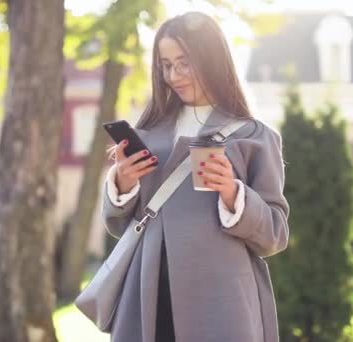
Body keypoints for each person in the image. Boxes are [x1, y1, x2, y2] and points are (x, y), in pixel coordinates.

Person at [101, 11, 289, 342]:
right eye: (166, 64)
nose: (174, 75)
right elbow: (118, 226)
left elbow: (275, 235)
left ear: (211, 58)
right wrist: (122, 184)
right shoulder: (146, 136)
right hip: (150, 297)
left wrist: (233, 194)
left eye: (184, 62)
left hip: (223, 306)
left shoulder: (254, 136)